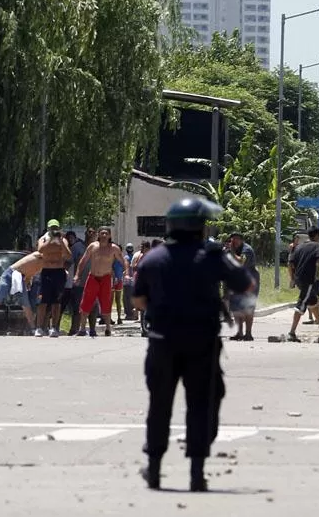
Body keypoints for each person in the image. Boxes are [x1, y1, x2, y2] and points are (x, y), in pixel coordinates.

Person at [134, 198, 254, 492]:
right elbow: (246, 285)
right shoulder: (213, 256)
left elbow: (138, 300)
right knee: (202, 404)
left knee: (159, 404)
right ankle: (196, 473)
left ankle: (155, 468)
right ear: (199, 227)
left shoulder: (152, 258)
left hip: (162, 343)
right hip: (201, 343)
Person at [74, 226, 128, 337]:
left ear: (109, 235)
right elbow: (83, 261)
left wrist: (126, 273)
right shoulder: (92, 246)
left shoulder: (114, 248)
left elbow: (123, 261)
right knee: (86, 303)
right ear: (98, 234)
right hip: (93, 277)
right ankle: (82, 328)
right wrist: (77, 275)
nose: (104, 236)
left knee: (106, 303)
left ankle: (108, 328)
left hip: (106, 278)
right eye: (102, 233)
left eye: (106, 234)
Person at [0, 251, 45, 333]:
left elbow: (29, 274)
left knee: (25, 303)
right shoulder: (37, 254)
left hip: (20, 278)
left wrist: (25, 285)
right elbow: (40, 250)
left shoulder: (41, 267)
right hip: (10, 274)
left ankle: (33, 328)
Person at [285, 226, 319, 342]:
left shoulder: (299, 247)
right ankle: (291, 333)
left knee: (314, 300)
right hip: (308, 280)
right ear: (317, 235)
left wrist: (292, 279)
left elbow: (290, 264)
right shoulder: (316, 246)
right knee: (301, 306)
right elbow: (318, 261)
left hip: (299, 279)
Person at [36, 222, 72, 337]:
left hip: (58, 272)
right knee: (43, 301)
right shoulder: (43, 239)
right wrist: (50, 239)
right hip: (46, 271)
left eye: (56, 228)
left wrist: (60, 241)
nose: (54, 230)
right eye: (52, 228)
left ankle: (54, 327)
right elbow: (40, 250)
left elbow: (68, 255)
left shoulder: (63, 240)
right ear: (48, 229)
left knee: (57, 301)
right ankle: (39, 327)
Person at [227, 233, 260, 341]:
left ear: (241, 240)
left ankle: (248, 333)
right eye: (232, 240)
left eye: (236, 240)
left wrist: (231, 251)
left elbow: (241, 261)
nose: (234, 243)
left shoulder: (247, 250)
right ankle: (239, 332)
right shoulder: (231, 249)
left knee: (248, 306)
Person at [123, 243, 137, 321]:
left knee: (126, 298)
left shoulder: (126, 257)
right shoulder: (134, 256)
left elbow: (126, 267)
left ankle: (129, 314)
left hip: (127, 281)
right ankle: (132, 313)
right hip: (134, 280)